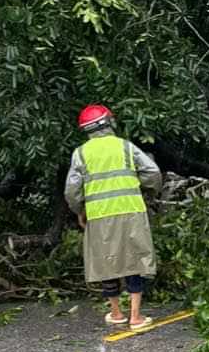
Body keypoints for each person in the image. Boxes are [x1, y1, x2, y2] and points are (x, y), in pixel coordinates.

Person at [64, 104, 162, 329]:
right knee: (134, 261)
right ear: (109, 122)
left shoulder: (81, 153)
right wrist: (148, 191)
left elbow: (71, 190)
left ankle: (116, 313)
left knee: (106, 262)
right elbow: (152, 173)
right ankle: (136, 317)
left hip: (98, 215)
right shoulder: (125, 147)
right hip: (130, 211)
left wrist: (80, 210)